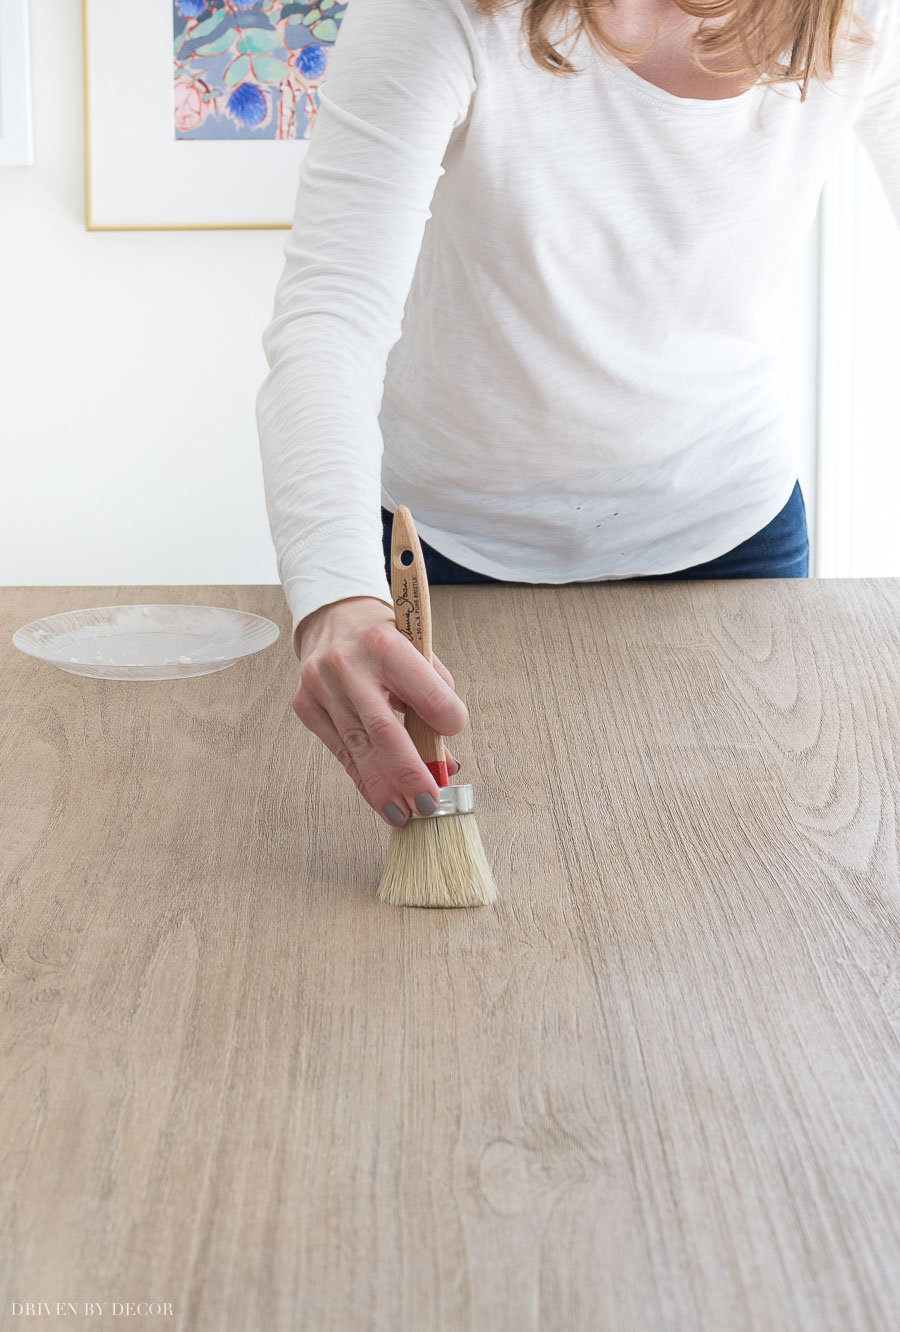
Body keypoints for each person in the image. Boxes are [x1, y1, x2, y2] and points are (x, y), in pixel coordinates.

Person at [255, 0, 898, 829]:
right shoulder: (443, 14)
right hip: (445, 553)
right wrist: (336, 597)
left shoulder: (862, 14)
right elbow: (330, 315)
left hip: (729, 531)